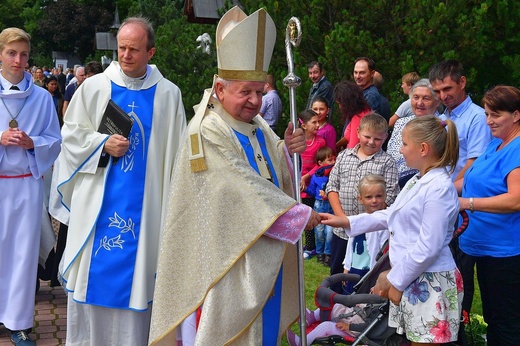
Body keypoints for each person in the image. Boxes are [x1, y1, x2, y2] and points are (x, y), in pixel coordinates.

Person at [149, 7, 320, 345]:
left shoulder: (256, 126)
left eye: (260, 91)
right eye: (245, 92)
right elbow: (241, 188)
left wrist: (287, 147)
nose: (255, 101)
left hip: (264, 256)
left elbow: (272, 175)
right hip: (229, 262)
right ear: (220, 89)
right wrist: (300, 216)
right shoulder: (207, 131)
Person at [56, 17, 187, 346]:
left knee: (139, 284)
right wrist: (101, 144)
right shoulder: (95, 87)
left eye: (134, 49)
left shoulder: (168, 96)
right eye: (122, 48)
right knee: (91, 282)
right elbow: (70, 137)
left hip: (146, 215)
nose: (126, 55)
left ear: (150, 52)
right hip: (98, 207)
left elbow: (180, 155)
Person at [321, 115, 463, 345]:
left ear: (423, 148)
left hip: (429, 280)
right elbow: (392, 214)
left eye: (405, 144)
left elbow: (429, 246)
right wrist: (348, 222)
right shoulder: (418, 180)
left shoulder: (438, 188)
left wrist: (395, 281)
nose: (402, 150)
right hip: (415, 277)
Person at [0, 27, 62, 346]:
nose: (18, 60)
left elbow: (55, 142)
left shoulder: (41, 97)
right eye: (12, 53)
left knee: (23, 256)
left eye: (24, 54)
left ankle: (20, 323)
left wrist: (32, 142)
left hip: (25, 186)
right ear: (1, 55)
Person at [429, 60, 492, 336]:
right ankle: (445, 327)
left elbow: (475, 165)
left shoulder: (477, 118)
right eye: (438, 91)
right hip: (445, 202)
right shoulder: (444, 117)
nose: (443, 95)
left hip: (465, 207)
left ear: (463, 82)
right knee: (444, 271)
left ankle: (461, 331)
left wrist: (445, 190)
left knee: (462, 274)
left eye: (447, 88)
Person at [456, 85, 520, 345]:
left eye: (496, 115)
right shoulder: (496, 143)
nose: (489, 121)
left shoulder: (516, 148)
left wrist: (467, 203)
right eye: (486, 114)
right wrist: (436, 190)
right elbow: (469, 180)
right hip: (483, 248)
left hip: (504, 252)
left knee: (505, 323)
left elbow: (516, 199)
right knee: (495, 316)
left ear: (516, 115)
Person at [326, 113, 398, 294]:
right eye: (367, 137)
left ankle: (362, 316)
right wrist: (342, 218)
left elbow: (390, 196)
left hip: (372, 234)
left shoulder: (387, 162)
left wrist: (365, 220)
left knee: (367, 275)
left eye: (377, 139)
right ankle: (335, 311)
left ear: (385, 138)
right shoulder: (344, 156)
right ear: (358, 133)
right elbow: (332, 186)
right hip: (341, 231)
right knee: (338, 273)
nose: (371, 142)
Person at [286, 270, 392, 346]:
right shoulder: (377, 300)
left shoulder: (380, 308)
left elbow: (368, 326)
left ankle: (301, 342)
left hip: (356, 328)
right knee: (336, 306)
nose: (373, 286)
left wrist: (349, 327)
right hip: (354, 315)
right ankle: (312, 317)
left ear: (381, 293)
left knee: (326, 326)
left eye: (376, 284)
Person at [387, 79, 440, 188]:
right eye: (415, 97)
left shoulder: (441, 127)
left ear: (437, 102)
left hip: (422, 185)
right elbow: (390, 154)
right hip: (391, 182)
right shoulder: (401, 123)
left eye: (426, 98)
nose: (419, 103)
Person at [343, 174, 389, 294]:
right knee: (350, 301)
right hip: (355, 269)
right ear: (360, 199)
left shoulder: (385, 224)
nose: (374, 200)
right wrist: (346, 267)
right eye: (369, 197)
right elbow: (350, 246)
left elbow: (383, 251)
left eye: (378, 196)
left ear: (385, 196)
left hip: (372, 271)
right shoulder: (357, 220)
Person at [299, 109, 327, 257]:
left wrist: (306, 177)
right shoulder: (297, 141)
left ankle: (312, 247)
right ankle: (303, 243)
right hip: (298, 183)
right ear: (304, 125)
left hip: (312, 184)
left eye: (318, 122)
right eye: (314, 122)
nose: (317, 125)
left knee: (309, 213)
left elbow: (321, 164)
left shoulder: (320, 141)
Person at [305, 146, 336, 266]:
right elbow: (313, 191)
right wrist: (306, 189)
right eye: (329, 160)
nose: (333, 162)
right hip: (319, 205)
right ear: (320, 162)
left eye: (334, 159)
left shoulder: (333, 175)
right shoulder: (316, 177)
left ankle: (328, 255)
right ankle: (320, 253)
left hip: (330, 206)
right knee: (319, 232)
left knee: (330, 232)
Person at [334, 81, 371, 153]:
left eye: (340, 103)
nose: (340, 107)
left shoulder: (358, 118)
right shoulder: (364, 110)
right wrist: (337, 145)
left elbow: (353, 146)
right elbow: (349, 136)